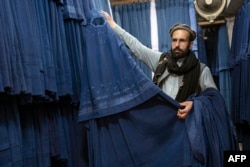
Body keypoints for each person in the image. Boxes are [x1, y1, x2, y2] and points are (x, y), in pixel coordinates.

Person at [102, 11, 217, 120]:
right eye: (174, 40)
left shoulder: (201, 70)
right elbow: (137, 47)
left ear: (191, 44)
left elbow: (213, 99)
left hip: (186, 124)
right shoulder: (161, 60)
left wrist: (194, 105)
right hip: (162, 120)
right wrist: (112, 24)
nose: (177, 45)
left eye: (182, 41)